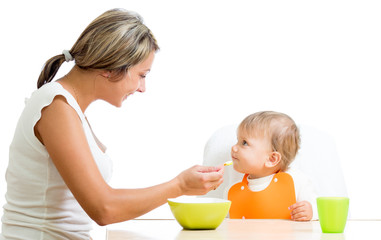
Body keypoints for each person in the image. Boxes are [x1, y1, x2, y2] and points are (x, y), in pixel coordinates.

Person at [1, 8, 224, 239]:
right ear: (111, 68)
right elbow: (104, 208)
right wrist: (179, 185)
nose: (142, 88)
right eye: (142, 75)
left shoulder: (69, 109)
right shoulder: (56, 107)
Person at [227, 111, 317, 221]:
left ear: (272, 159)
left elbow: (322, 211)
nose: (234, 148)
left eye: (244, 143)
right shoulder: (232, 191)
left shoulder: (297, 182)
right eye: (238, 140)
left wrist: (311, 212)